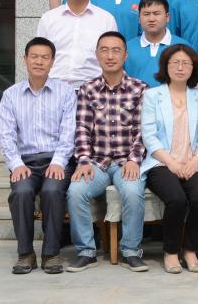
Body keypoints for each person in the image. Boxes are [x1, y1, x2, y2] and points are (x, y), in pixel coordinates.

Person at [66, 31, 149, 272]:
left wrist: (134, 159)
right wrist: (83, 160)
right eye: (104, 50)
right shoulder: (88, 89)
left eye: (116, 50)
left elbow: (143, 130)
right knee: (75, 192)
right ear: (97, 54)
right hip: (97, 163)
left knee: (132, 191)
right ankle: (86, 251)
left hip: (127, 162)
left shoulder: (140, 89)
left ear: (125, 55)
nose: (110, 55)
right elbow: (82, 129)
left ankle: (131, 250)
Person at [0, 37, 76, 274]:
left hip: (57, 159)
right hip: (25, 162)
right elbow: (6, 135)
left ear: (52, 61)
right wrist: (16, 164)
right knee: (21, 192)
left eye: (45, 57)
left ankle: (51, 253)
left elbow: (69, 132)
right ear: (25, 59)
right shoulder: (11, 95)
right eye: (34, 56)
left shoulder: (65, 92)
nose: (39, 61)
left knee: (52, 191)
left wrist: (59, 161)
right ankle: (25, 253)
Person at [140, 44, 198, 274]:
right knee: (177, 199)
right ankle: (171, 252)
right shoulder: (152, 95)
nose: (180, 67)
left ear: (194, 68)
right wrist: (171, 163)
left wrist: (195, 160)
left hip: (193, 160)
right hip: (161, 162)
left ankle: (190, 250)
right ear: (166, 66)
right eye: (175, 63)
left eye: (186, 63)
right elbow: (149, 136)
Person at [37, 0, 118, 89]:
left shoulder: (106, 19)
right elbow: (40, 56)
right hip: (54, 88)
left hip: (94, 90)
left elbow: (112, 58)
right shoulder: (48, 19)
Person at [124, 0, 190, 87]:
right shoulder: (126, 48)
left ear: (167, 17)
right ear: (139, 18)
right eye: (146, 14)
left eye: (156, 13)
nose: (151, 19)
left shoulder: (183, 47)